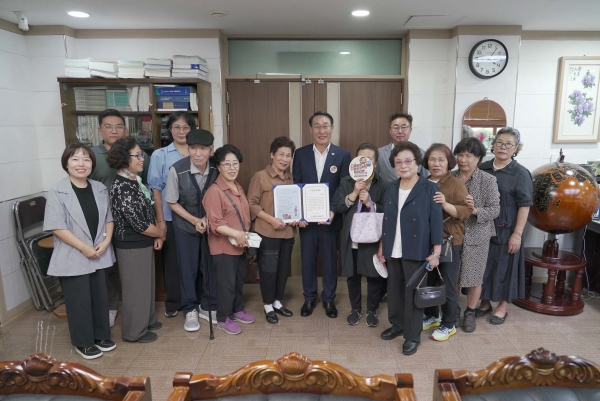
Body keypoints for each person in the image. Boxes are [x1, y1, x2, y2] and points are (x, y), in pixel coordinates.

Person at [44, 143, 116, 360]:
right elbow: (57, 227)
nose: (81, 164)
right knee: (79, 301)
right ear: (66, 164)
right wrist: (84, 247)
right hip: (73, 253)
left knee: (100, 297)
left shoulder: (99, 188)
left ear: (92, 163)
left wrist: (106, 241)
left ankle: (101, 335)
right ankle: (83, 342)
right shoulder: (57, 191)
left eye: (86, 159)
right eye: (75, 159)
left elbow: (109, 218)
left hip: (99, 252)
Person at [378, 141, 443, 356]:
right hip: (393, 248)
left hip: (417, 249)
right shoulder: (391, 187)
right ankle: (397, 324)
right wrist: (382, 246)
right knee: (394, 290)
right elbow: (386, 220)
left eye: (408, 161)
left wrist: (436, 253)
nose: (403, 165)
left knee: (414, 294)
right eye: (398, 162)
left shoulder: (429, 187)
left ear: (417, 163)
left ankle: (413, 336)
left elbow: (436, 222)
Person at [89, 109, 150, 327]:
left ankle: (137, 313)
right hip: (101, 221)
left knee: (131, 270)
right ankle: (111, 307)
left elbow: (144, 185)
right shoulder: (90, 156)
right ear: (100, 130)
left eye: (118, 126)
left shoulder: (137, 155)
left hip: (129, 224)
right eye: (108, 126)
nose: (114, 131)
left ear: (125, 129)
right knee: (107, 268)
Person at [293, 111, 351, 319]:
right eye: (317, 126)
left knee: (330, 261)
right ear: (310, 129)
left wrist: (333, 210)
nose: (321, 130)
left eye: (325, 126)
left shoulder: (342, 155)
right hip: (307, 221)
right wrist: (300, 213)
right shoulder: (300, 154)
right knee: (307, 260)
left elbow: (343, 186)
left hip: (330, 219)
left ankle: (328, 299)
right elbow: (297, 184)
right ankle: (309, 298)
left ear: (332, 128)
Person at [107, 137, 164, 343]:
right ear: (125, 158)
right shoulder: (122, 186)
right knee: (135, 289)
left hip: (143, 241)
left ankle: (146, 321)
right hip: (131, 244)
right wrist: (160, 233)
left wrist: (156, 234)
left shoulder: (133, 180)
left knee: (146, 285)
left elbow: (146, 211)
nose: (142, 159)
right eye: (137, 155)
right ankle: (134, 332)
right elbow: (139, 224)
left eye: (142, 155)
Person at [477, 127, 532, 325]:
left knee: (504, 267)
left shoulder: (520, 173)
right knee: (483, 265)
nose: (503, 147)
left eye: (509, 144)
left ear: (516, 148)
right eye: (500, 142)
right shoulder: (483, 168)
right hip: (482, 226)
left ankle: (502, 306)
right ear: (493, 145)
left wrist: (517, 233)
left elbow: (525, 205)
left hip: (507, 228)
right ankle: (484, 303)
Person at [165, 129, 218, 332]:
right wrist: (195, 220)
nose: (198, 153)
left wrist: (209, 220)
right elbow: (172, 201)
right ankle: (190, 309)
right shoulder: (177, 170)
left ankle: (207, 305)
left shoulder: (217, 168)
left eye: (203, 149)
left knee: (209, 266)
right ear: (188, 149)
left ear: (211, 150)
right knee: (188, 269)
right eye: (193, 148)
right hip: (185, 227)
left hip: (211, 227)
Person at [148, 111, 197, 318]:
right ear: (170, 130)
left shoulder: (197, 152)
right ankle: (174, 300)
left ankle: (194, 300)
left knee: (194, 261)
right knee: (173, 262)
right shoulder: (160, 155)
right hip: (170, 216)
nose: (181, 131)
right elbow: (156, 189)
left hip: (195, 217)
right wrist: (160, 221)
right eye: (176, 127)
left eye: (186, 127)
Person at [203, 144, 255, 335]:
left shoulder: (237, 186)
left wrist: (243, 236)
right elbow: (215, 224)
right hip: (224, 247)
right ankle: (223, 318)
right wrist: (236, 234)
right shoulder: (214, 191)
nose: (232, 168)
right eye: (227, 164)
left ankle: (237, 309)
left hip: (240, 244)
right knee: (226, 284)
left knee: (238, 280)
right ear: (218, 166)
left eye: (235, 163)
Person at [420, 144, 470, 341]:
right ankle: (432, 315)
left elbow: (465, 212)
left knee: (447, 283)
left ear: (449, 162)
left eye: (441, 159)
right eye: (432, 159)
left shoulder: (456, 184)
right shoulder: (423, 182)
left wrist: (445, 203)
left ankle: (449, 324)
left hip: (449, 241)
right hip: (427, 241)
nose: (436, 163)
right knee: (429, 282)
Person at [452, 138, 500, 333]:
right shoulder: (450, 177)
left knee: (475, 276)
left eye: (469, 156)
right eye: (460, 155)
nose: (463, 160)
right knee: (453, 275)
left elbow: (495, 209)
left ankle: (470, 312)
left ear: (478, 158)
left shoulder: (488, 180)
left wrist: (475, 210)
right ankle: (453, 309)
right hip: (453, 233)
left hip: (477, 235)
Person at [336, 143, 387, 327]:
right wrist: (354, 193)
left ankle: (372, 310)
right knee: (352, 274)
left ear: (375, 163)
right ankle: (355, 309)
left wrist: (370, 203)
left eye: (368, 160)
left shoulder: (383, 184)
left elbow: (388, 211)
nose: (363, 164)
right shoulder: (346, 181)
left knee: (373, 274)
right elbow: (339, 207)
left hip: (372, 237)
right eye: (360, 159)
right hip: (352, 235)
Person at [247, 137, 297, 324]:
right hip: (267, 232)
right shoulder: (260, 176)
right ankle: (268, 305)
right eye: (281, 154)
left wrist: (298, 218)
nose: (284, 159)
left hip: (288, 233)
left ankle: (277, 302)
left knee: (283, 270)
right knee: (268, 271)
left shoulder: (291, 178)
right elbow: (251, 205)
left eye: (288, 155)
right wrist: (271, 220)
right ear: (272, 155)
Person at [378, 113, 428, 184]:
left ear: (410, 130)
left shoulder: (422, 154)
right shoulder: (379, 153)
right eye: (396, 127)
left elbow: (425, 180)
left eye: (404, 127)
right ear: (390, 130)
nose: (400, 131)